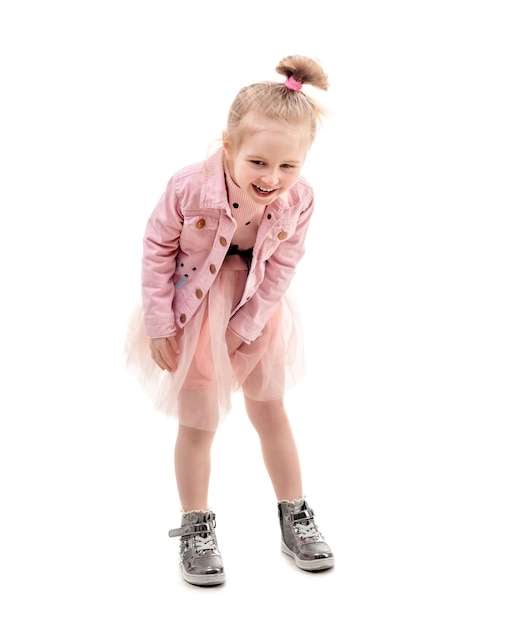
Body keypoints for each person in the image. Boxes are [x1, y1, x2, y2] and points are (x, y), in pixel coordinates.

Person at [126, 54, 334, 586]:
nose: (273, 178)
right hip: (193, 309)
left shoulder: (300, 200)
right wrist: (158, 321)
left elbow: (285, 262)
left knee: (271, 412)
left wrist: (248, 328)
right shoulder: (188, 187)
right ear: (229, 146)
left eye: (289, 166)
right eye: (259, 162)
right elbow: (155, 248)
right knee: (200, 420)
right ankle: (196, 525)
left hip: (256, 306)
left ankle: (295, 514)